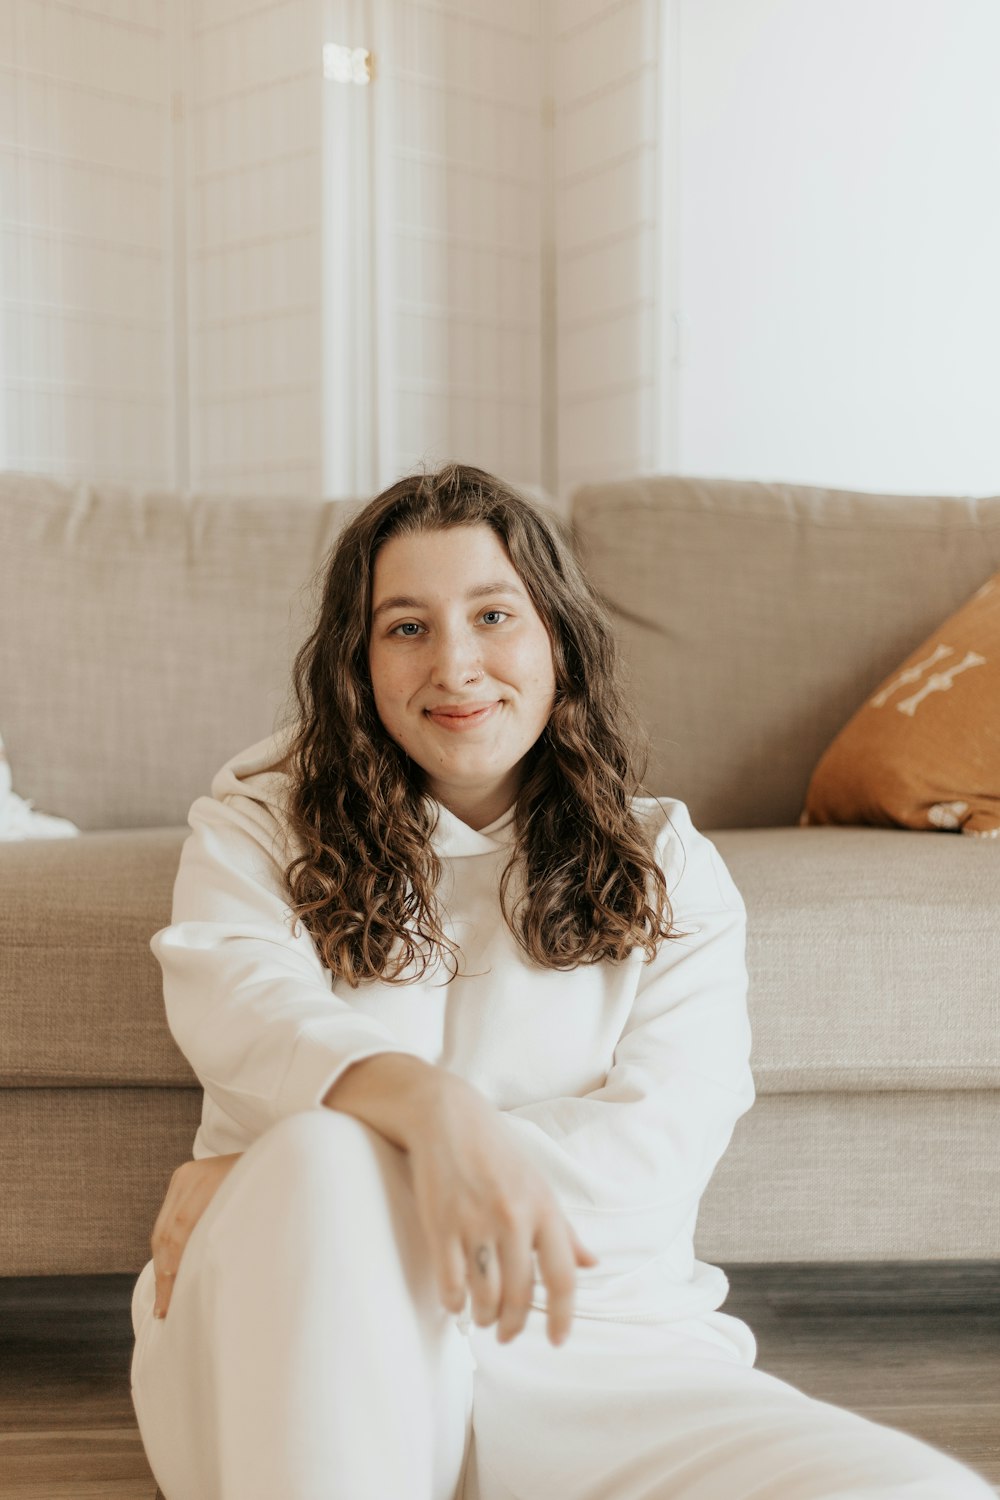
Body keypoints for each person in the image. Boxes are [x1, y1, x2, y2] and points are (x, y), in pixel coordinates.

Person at [129, 464, 992, 1500]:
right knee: (317, 1165)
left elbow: (655, 1151)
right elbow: (246, 1010)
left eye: (493, 615)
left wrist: (322, 1168)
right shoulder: (256, 828)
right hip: (297, 1324)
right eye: (405, 627)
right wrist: (417, 1118)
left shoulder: (667, 862)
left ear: (557, 644)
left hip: (598, 1339)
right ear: (357, 665)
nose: (455, 664)